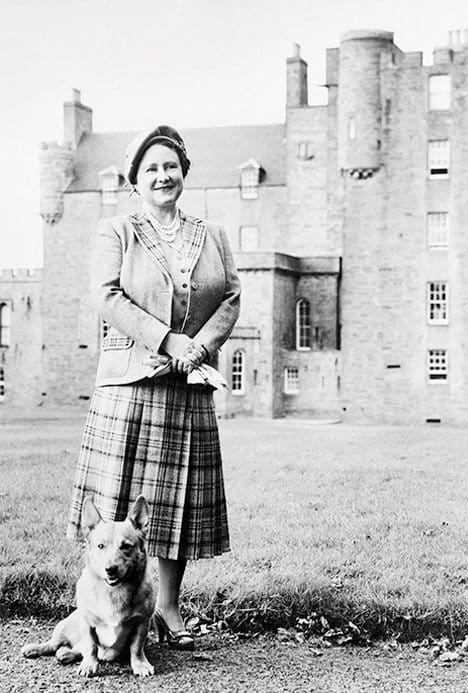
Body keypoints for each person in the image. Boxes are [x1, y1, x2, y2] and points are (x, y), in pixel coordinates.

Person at [67, 125, 241, 651]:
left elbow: (231, 297)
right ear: (134, 181)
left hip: (188, 385)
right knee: (117, 504)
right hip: (129, 385)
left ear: (183, 172)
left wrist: (199, 348)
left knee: (177, 504)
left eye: (170, 166)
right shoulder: (116, 230)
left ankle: (167, 607)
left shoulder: (212, 234)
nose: (163, 176)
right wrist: (168, 340)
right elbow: (107, 296)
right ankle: (106, 613)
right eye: (151, 169)